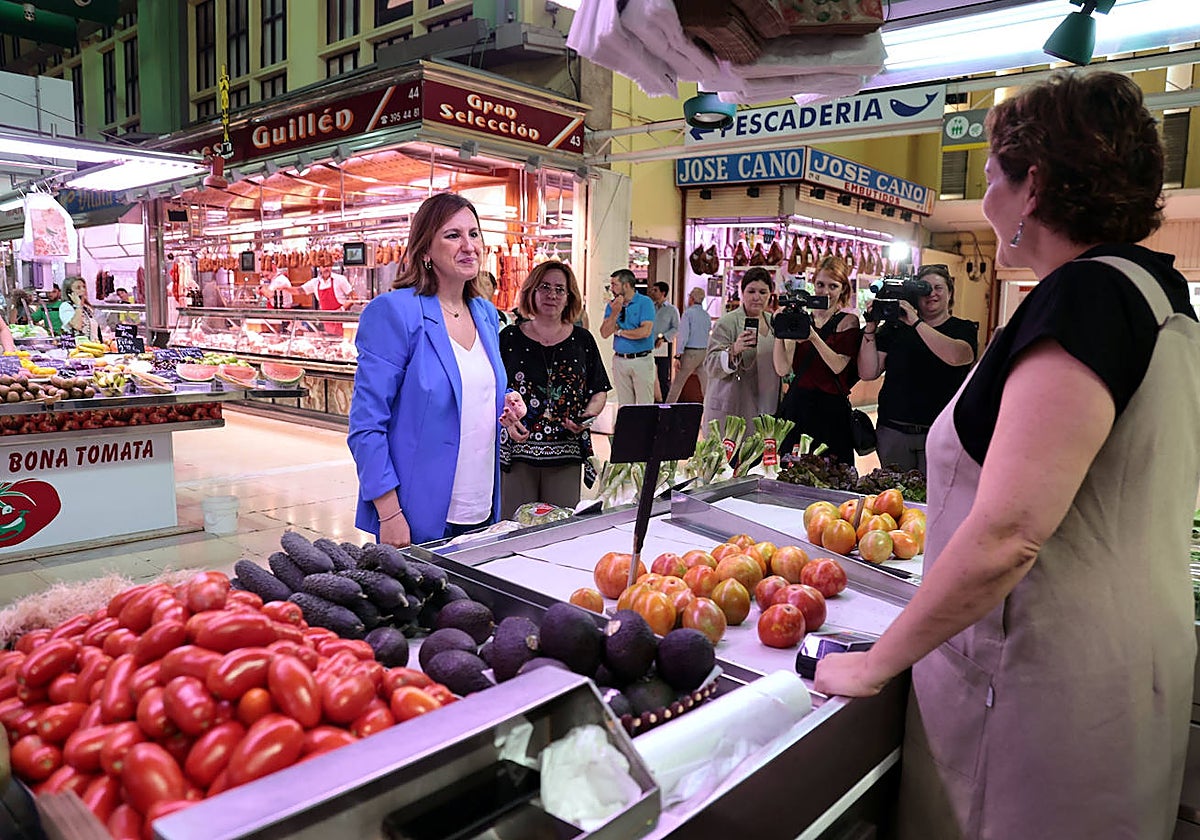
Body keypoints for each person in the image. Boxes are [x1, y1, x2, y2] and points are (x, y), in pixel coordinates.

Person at [815, 71, 1200, 840]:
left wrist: (875, 661)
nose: (985, 195)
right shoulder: (1162, 298)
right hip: (1123, 672)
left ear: (1036, 187)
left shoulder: (1084, 298)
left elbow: (1009, 532)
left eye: (993, 174)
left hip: (1040, 694)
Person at [348, 193, 527, 547]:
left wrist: (503, 403)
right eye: (452, 235)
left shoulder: (486, 314)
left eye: (474, 234)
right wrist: (390, 514)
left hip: (481, 506)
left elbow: (464, 388)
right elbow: (366, 426)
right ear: (425, 249)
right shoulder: (395, 312)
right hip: (415, 514)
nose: (469, 246)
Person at [499, 260, 610, 517]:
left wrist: (587, 418)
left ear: (569, 296)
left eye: (560, 289)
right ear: (532, 292)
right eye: (545, 287)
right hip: (518, 453)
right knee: (514, 527)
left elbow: (599, 389)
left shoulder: (583, 340)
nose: (552, 295)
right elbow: (491, 388)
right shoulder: (509, 338)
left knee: (559, 528)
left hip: (566, 454)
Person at [856, 264, 977, 473]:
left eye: (938, 287)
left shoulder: (962, 328)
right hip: (894, 430)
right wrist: (870, 328)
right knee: (893, 498)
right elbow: (867, 373)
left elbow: (959, 356)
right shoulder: (895, 329)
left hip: (940, 433)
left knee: (935, 499)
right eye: (924, 288)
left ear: (950, 292)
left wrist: (916, 322)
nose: (931, 293)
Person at [772, 256, 862, 464]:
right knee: (792, 473)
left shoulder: (848, 321)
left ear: (843, 289)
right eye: (821, 284)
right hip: (798, 406)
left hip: (832, 410)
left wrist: (812, 336)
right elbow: (782, 368)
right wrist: (780, 330)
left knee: (834, 475)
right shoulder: (802, 318)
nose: (826, 291)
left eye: (833, 286)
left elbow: (838, 365)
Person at [702, 267, 779, 429]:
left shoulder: (774, 323)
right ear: (742, 292)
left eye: (763, 292)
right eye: (751, 291)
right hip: (734, 407)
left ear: (770, 295)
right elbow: (710, 364)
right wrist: (733, 350)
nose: (757, 297)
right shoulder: (727, 323)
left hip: (767, 405)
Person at [599, 268, 655, 405]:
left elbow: (644, 332)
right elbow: (604, 333)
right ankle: (627, 427)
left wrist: (619, 332)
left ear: (626, 285)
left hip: (641, 359)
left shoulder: (645, 302)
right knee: (624, 404)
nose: (611, 288)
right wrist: (614, 313)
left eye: (614, 284)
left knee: (644, 403)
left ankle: (645, 427)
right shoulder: (613, 305)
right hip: (620, 359)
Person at [667, 286, 712, 402]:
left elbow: (683, 336)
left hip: (690, 352)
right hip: (704, 352)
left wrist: (678, 354)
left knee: (678, 383)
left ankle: (667, 409)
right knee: (705, 385)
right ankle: (709, 408)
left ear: (691, 298)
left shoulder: (688, 314)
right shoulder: (706, 315)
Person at [302, 264, 355, 337]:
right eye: (324, 266)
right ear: (319, 268)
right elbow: (299, 290)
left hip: (342, 322)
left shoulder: (340, 279)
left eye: (329, 266)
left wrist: (341, 309)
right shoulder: (316, 282)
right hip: (327, 323)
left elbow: (354, 298)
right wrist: (285, 288)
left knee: (345, 344)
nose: (326, 268)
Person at [648, 280, 679, 401]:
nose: (652, 292)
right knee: (649, 373)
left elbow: (676, 328)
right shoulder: (650, 307)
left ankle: (664, 402)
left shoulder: (671, 310)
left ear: (663, 293)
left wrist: (664, 338)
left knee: (662, 374)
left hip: (663, 346)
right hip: (648, 344)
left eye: (655, 290)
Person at [59, 277, 101, 341]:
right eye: (78, 288)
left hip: (91, 346)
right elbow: (77, 326)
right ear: (69, 292)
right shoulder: (65, 306)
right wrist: (78, 305)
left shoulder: (86, 307)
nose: (83, 290)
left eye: (84, 287)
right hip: (76, 347)